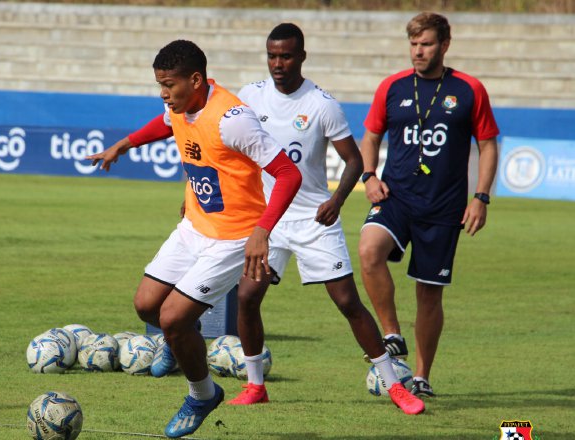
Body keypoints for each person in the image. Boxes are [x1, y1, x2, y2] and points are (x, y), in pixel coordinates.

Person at [109, 24, 425, 416]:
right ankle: (253, 384)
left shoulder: (321, 105)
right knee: (246, 297)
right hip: (263, 214)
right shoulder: (249, 95)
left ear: (301, 57)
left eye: (286, 56)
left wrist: (338, 200)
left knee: (347, 301)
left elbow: (343, 162)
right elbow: (200, 140)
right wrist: (171, 176)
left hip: (308, 215)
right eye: (272, 56)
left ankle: (392, 383)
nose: (278, 63)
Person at [87, 39, 302, 438]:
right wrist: (125, 144)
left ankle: (201, 394)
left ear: (196, 79)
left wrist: (261, 231)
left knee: (172, 318)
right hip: (194, 227)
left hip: (234, 238)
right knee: (147, 306)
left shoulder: (233, 118)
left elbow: (289, 174)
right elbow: (165, 123)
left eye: (169, 85)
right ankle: (180, 339)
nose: (164, 94)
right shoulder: (180, 106)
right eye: (160, 86)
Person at [358, 12, 499, 398]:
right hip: (396, 196)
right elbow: (369, 136)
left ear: (444, 45)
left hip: (444, 206)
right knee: (369, 249)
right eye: (414, 44)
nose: (418, 52)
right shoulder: (392, 87)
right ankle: (391, 333)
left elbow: (487, 146)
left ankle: (421, 375)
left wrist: (481, 197)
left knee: (429, 293)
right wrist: (369, 177)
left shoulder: (469, 89)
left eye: (426, 44)